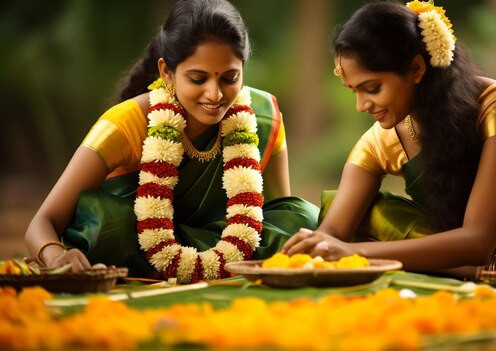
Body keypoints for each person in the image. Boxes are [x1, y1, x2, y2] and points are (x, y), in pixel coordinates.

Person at [282, 0, 496, 279]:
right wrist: (315, 248)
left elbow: (477, 240)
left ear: (416, 69)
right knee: (368, 215)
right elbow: (333, 233)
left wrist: (356, 253)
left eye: (372, 89)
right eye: (353, 91)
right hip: (485, 255)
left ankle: (488, 268)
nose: (361, 106)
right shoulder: (383, 138)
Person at [24, 0, 319, 283]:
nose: (215, 95)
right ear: (167, 72)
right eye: (198, 79)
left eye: (229, 78)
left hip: (233, 239)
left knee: (304, 220)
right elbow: (43, 223)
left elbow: (276, 216)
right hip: (139, 245)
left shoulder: (262, 117)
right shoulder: (126, 123)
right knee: (108, 226)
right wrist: (54, 255)